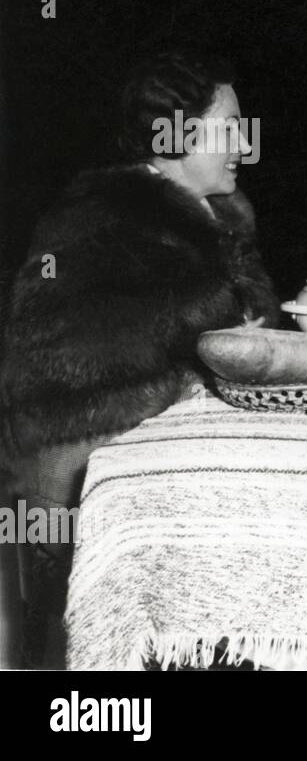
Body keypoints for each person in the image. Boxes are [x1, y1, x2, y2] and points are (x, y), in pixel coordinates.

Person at [0, 50, 280, 667]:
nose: (245, 145)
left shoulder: (216, 217)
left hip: (156, 445)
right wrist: (212, 332)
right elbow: (69, 361)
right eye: (229, 129)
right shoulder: (97, 220)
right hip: (83, 466)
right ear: (174, 134)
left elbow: (238, 336)